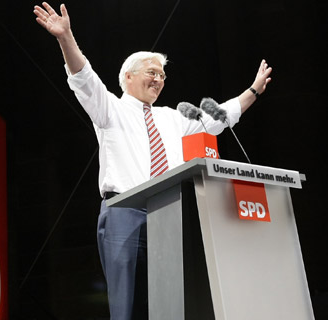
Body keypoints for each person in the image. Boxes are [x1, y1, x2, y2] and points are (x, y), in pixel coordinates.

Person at [34, 2, 272, 319]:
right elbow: (83, 77)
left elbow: (218, 117)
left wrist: (253, 91)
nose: (159, 79)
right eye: (152, 72)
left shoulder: (174, 117)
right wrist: (65, 37)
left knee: (173, 303)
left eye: (162, 75)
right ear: (128, 77)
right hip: (124, 212)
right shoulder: (110, 109)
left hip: (171, 213)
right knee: (128, 305)